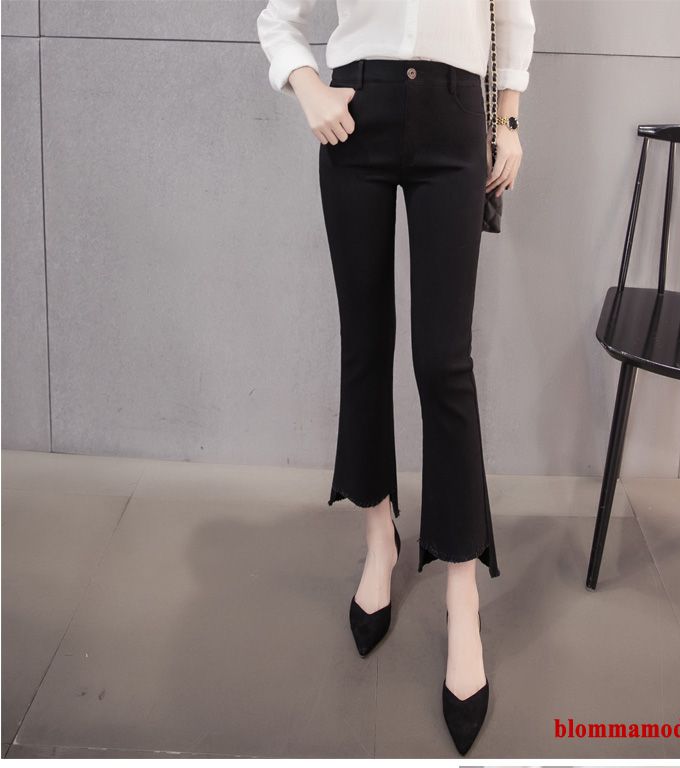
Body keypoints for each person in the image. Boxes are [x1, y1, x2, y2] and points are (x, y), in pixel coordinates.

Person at [256, 0, 535, 755]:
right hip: (358, 120)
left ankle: (461, 593)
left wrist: (507, 122)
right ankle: (379, 535)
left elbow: (514, 16)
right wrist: (307, 87)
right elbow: (278, 19)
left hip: (455, 118)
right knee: (365, 342)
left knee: (444, 361)